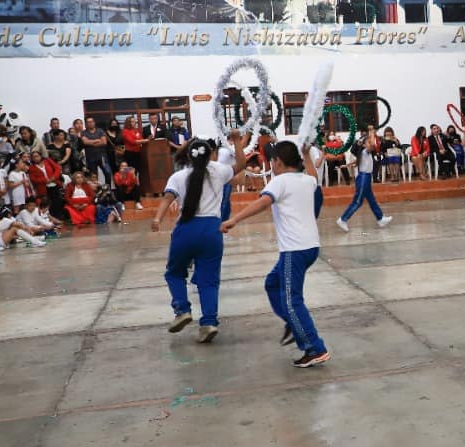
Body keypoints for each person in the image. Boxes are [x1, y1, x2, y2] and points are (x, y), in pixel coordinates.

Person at [221, 140, 331, 368]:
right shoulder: (306, 180)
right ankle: (294, 323)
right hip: (310, 247)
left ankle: (314, 348)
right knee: (273, 283)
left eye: (272, 160)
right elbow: (314, 178)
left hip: (295, 249)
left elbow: (263, 202)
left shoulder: (280, 181)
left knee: (292, 301)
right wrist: (306, 155)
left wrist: (234, 219)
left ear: (278, 162)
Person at [152, 138, 246, 344]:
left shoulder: (178, 176)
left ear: (187, 155)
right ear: (210, 154)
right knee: (208, 280)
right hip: (212, 230)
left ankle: (182, 310)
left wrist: (157, 219)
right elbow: (242, 164)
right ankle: (209, 322)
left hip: (185, 229)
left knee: (174, 273)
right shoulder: (219, 171)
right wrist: (238, 141)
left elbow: (167, 199)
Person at [336, 130, 393, 231]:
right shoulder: (365, 151)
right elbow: (372, 146)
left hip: (366, 178)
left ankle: (380, 218)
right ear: (363, 145)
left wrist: (347, 165)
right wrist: (371, 133)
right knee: (357, 202)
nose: (370, 143)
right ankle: (343, 219)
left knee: (371, 200)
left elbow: (357, 161)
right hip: (363, 178)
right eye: (367, 142)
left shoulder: (363, 153)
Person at [80, 118, 111, 187]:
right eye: (88, 122)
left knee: (108, 173)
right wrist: (97, 140)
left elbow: (104, 142)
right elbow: (85, 142)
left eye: (91, 122)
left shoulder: (100, 131)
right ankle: (96, 192)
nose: (90, 123)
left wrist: (91, 142)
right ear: (86, 124)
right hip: (90, 157)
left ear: (94, 122)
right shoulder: (83, 132)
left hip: (102, 156)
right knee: (93, 176)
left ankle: (107, 190)